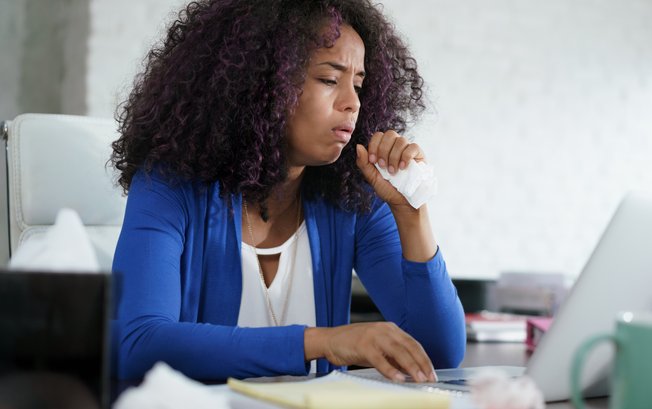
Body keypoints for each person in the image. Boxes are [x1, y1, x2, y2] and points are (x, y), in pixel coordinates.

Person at [111, 0, 465, 383]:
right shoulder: (169, 187)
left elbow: (440, 353)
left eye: (359, 85)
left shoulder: (351, 199)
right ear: (262, 82)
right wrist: (321, 343)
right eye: (330, 80)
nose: (352, 103)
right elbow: (139, 344)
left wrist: (412, 214)